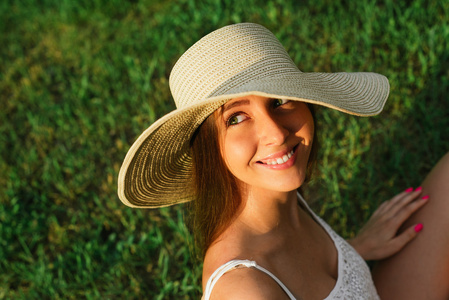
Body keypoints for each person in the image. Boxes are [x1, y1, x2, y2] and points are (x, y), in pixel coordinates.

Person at [118, 23, 449, 299]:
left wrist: (355, 249)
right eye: (235, 118)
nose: (275, 133)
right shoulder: (245, 290)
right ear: (209, 149)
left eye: (279, 100)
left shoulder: (278, 200)